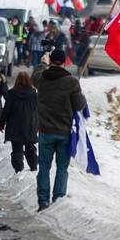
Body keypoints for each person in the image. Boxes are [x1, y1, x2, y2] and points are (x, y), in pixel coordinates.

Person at [32, 49, 86, 211]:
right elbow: (80, 105)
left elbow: (34, 76)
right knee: (62, 168)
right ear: (64, 62)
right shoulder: (71, 82)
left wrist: (42, 63)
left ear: (51, 61)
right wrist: (79, 92)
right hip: (64, 132)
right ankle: (58, 199)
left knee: (44, 167)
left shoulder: (42, 79)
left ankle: (43, 201)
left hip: (45, 131)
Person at [1, 70, 39, 173]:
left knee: (17, 149)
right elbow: (38, 110)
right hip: (30, 125)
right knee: (30, 147)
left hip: (15, 126)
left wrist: (1, 123)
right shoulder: (34, 94)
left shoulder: (12, 94)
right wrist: (38, 124)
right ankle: (33, 166)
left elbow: (6, 110)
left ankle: (18, 168)